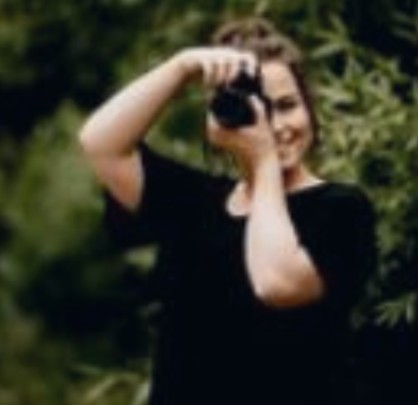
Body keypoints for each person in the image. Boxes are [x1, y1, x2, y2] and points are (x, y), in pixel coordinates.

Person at [79, 17, 377, 405]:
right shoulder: (192, 202)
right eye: (259, 109)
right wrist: (182, 67)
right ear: (221, 118)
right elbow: (100, 143)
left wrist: (263, 161)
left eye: (287, 106)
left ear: (310, 108)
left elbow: (275, 283)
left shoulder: (342, 209)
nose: (275, 126)